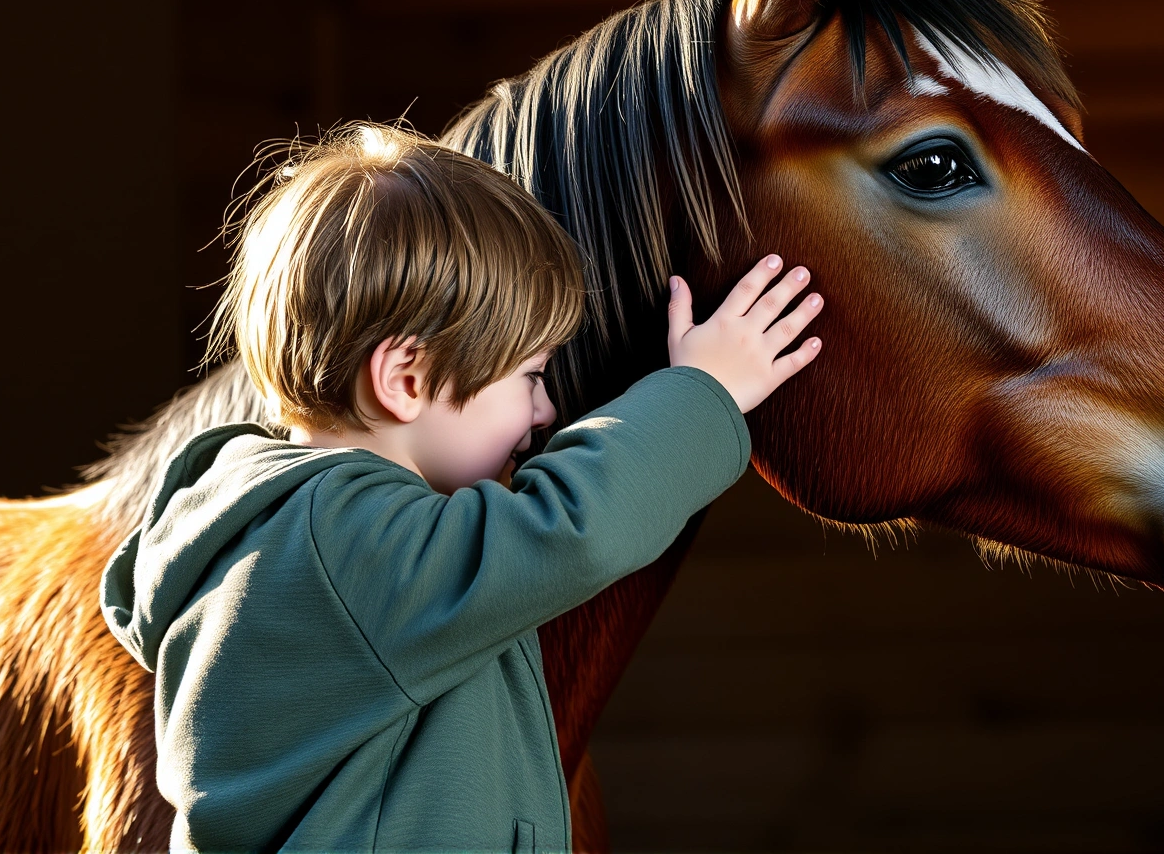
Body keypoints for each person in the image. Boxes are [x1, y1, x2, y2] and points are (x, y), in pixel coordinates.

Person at [100, 122, 823, 852]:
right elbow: (566, 529)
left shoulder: (273, 533)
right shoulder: (343, 547)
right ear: (406, 379)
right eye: (531, 377)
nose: (544, 413)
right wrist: (704, 391)